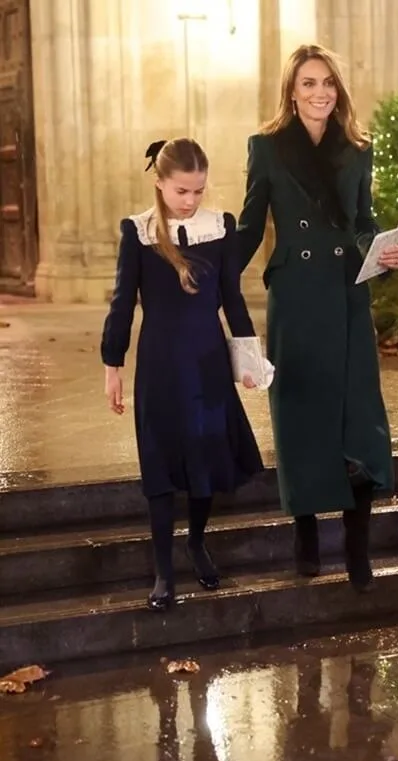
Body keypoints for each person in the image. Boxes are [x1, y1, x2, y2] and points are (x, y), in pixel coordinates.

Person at [237, 44, 398, 592]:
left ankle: (357, 547)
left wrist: (380, 251)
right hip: (296, 295)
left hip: (345, 294)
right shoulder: (266, 148)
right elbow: (249, 225)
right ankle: (306, 534)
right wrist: (204, 271)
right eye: (309, 83)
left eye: (328, 83)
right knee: (302, 417)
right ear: (292, 90)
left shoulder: (358, 148)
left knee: (359, 415)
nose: (320, 93)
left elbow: (362, 221)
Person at [102, 138, 264, 612]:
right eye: (181, 192)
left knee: (206, 456)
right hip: (159, 362)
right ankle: (163, 570)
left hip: (207, 360)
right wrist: (112, 365)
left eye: (197, 191)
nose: (190, 201)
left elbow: (232, 299)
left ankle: (195, 541)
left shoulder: (220, 228)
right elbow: (121, 304)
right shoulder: (139, 232)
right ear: (160, 183)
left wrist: (249, 362)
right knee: (160, 459)